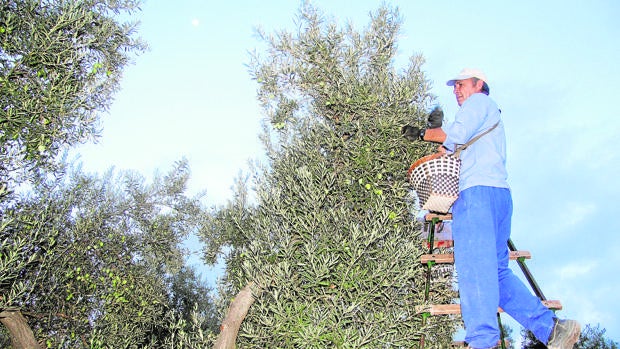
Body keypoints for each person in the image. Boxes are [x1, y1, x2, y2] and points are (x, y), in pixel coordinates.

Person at [403, 68, 581, 349]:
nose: (456, 90)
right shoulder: (489, 114)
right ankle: (552, 329)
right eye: (454, 86)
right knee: (496, 274)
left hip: (476, 196)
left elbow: (454, 137)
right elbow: (453, 144)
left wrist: (425, 134)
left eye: (461, 84)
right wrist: (432, 137)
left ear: (479, 84)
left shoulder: (478, 103)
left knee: (474, 268)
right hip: (499, 197)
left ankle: (481, 342)